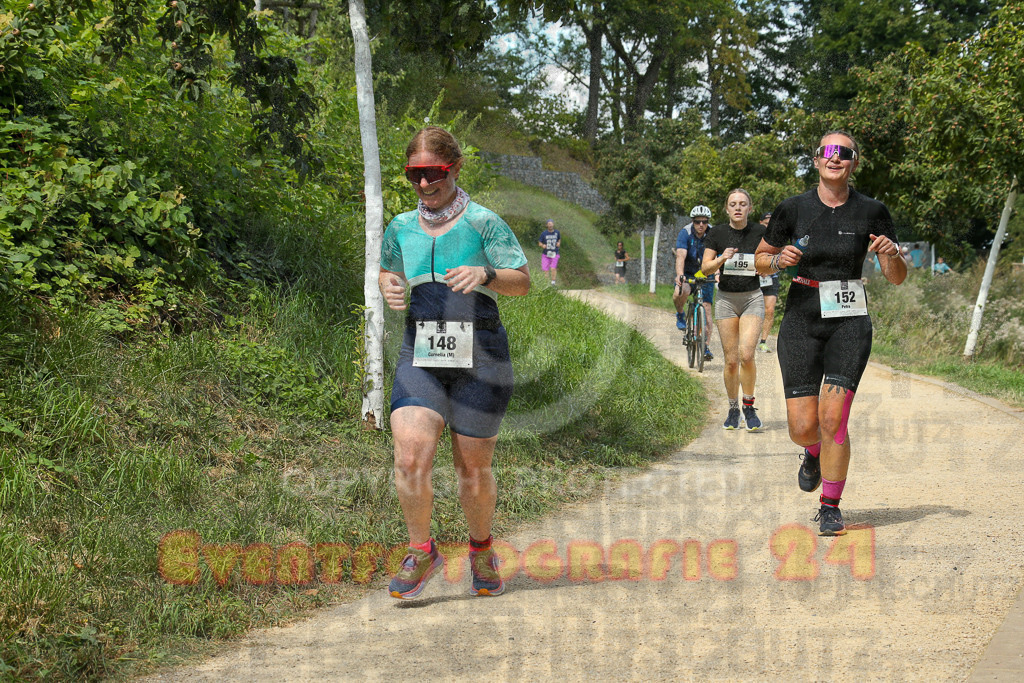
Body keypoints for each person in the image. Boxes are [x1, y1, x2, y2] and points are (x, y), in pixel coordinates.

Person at [379, 126, 530, 599]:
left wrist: (486, 272)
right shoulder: (400, 227)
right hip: (420, 352)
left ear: (455, 167)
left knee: (473, 469)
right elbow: (387, 269)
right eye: (415, 175)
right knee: (409, 455)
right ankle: (422, 550)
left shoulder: (483, 222)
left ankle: (481, 550)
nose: (425, 184)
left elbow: (522, 281)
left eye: (435, 173)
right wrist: (389, 284)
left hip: (481, 354)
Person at [754, 130, 906, 536]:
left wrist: (890, 257)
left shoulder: (873, 210)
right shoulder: (792, 208)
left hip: (849, 321)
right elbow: (760, 261)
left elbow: (896, 278)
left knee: (834, 417)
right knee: (803, 427)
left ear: (854, 161)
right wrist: (777, 260)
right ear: (817, 159)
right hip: (802, 318)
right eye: (828, 152)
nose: (835, 158)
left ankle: (830, 505)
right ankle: (813, 452)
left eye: (844, 153)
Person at [701, 190, 765, 430]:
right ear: (726, 209)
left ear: (750, 207)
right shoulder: (716, 233)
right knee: (730, 361)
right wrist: (721, 259)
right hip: (726, 299)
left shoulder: (760, 232)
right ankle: (733, 408)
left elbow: (773, 260)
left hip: (752, 298)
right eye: (733, 204)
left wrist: (766, 268)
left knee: (746, 354)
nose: (738, 208)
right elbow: (705, 268)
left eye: (742, 204)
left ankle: (749, 406)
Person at [673, 204, 715, 361]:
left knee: (707, 311)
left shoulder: (713, 233)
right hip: (689, 272)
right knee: (682, 291)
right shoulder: (685, 233)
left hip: (705, 273)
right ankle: (680, 314)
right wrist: (680, 275)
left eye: (704, 221)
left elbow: (719, 256)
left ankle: (705, 347)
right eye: (698, 222)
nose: (701, 225)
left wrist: (719, 274)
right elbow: (680, 256)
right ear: (693, 222)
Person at [757, 212, 779, 353]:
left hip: (771, 278)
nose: (769, 226)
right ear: (761, 223)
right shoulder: (755, 236)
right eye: (766, 223)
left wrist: (770, 268)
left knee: (769, 310)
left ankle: (763, 341)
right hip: (754, 276)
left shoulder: (778, 237)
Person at [538, 219, 561, 286]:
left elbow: (559, 239)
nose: (550, 225)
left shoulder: (557, 232)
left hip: (555, 253)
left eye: (551, 223)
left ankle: (553, 283)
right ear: (547, 225)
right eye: (549, 224)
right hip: (546, 254)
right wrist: (543, 245)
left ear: (553, 224)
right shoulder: (544, 233)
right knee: (546, 269)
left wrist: (559, 243)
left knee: (553, 268)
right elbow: (539, 243)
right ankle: (546, 283)